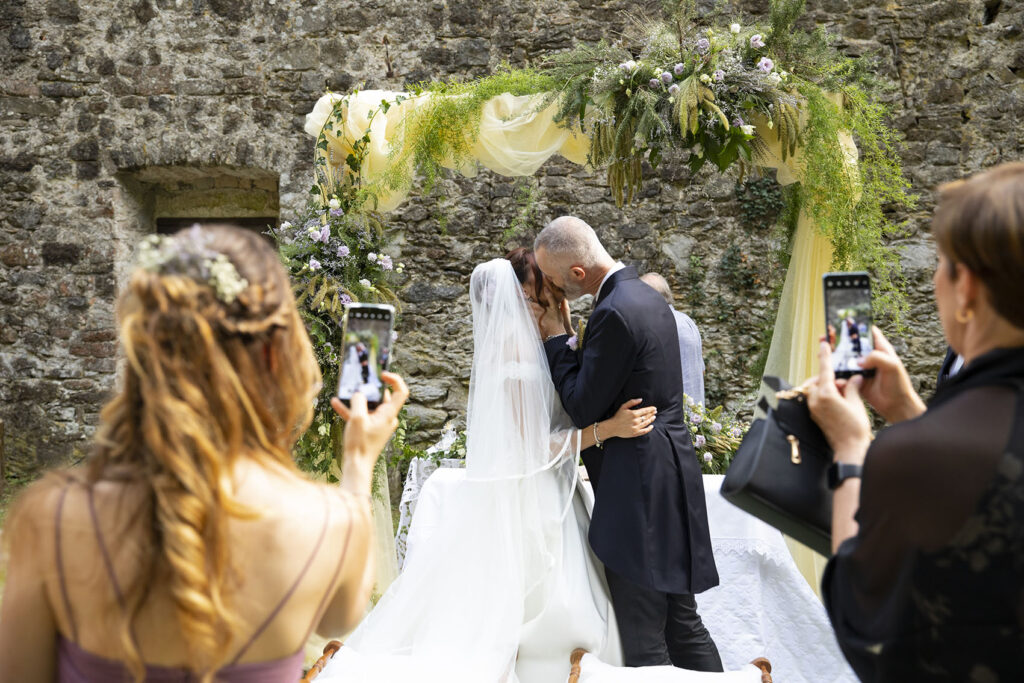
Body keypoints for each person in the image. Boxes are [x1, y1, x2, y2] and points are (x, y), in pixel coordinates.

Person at [0, 224, 409, 682]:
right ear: (276, 357)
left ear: (145, 352)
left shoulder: (52, 518)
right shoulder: (330, 521)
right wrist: (357, 463)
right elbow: (340, 617)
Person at [313, 256, 659, 683]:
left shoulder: (534, 339)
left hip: (552, 487)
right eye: (540, 290)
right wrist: (607, 430)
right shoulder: (514, 347)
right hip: (531, 490)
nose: (548, 296)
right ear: (521, 294)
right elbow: (534, 445)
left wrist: (565, 331)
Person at [806, 162, 1024, 681]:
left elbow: (864, 620)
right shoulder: (951, 439)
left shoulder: (917, 454)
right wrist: (910, 412)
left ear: (965, 287)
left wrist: (854, 449)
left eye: (941, 264)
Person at [534, 216, 722, 671]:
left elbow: (582, 406)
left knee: (644, 636)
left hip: (638, 488)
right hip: (671, 473)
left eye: (556, 279)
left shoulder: (613, 312)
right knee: (682, 622)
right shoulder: (646, 296)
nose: (555, 289)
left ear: (578, 273)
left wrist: (558, 339)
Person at [640, 272, 706, 406]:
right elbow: (702, 371)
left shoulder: (658, 324)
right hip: (696, 416)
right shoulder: (687, 320)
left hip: (673, 419)